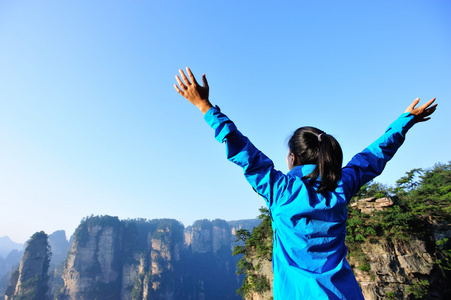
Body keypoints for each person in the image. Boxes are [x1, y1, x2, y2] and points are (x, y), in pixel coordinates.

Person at [173, 67, 437, 299]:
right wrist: (405, 122)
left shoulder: (280, 190)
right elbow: (372, 157)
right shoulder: (341, 186)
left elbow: (243, 150)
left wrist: (204, 106)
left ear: (292, 157)